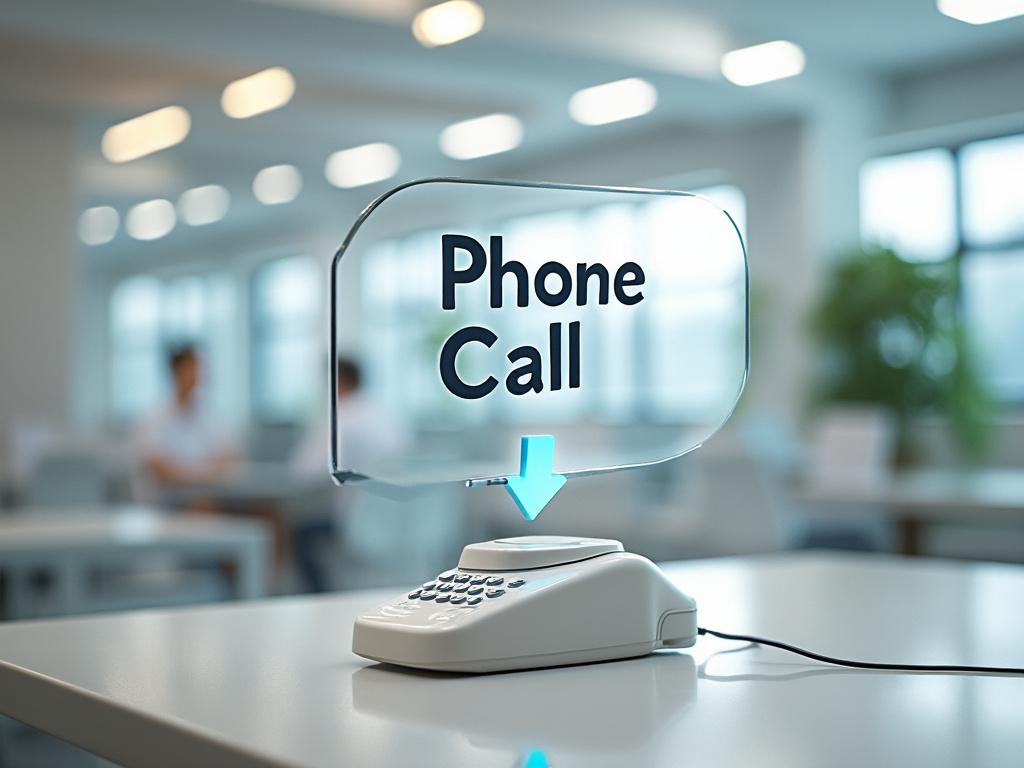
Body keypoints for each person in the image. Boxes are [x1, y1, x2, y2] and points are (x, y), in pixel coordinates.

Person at [290, 356, 407, 591]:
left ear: (337, 382)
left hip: (356, 525)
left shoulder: (341, 419)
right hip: (400, 526)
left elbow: (305, 471)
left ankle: (318, 601)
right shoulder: (390, 419)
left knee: (299, 533)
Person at [137, 344, 238, 505]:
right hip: (172, 501)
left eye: (198, 367)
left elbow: (229, 458)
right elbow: (159, 470)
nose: (197, 374)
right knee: (203, 508)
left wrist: (198, 476)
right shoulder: (156, 418)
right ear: (175, 371)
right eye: (191, 367)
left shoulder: (209, 413)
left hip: (212, 494)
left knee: (267, 512)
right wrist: (206, 475)